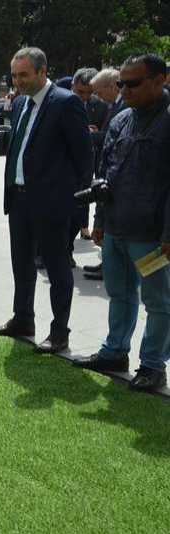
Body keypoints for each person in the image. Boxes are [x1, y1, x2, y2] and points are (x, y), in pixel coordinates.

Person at [74, 54, 170, 392]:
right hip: (116, 227)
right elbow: (107, 172)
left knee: (158, 302)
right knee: (120, 293)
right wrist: (100, 219)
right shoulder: (121, 118)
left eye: (132, 83)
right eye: (121, 83)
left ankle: (153, 364)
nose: (123, 89)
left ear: (161, 80)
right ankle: (115, 351)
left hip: (152, 236)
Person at [0, 47, 92, 354]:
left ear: (42, 71)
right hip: (19, 200)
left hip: (52, 205)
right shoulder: (20, 103)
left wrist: (72, 203)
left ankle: (59, 333)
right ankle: (23, 319)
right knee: (22, 265)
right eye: (15, 75)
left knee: (57, 269)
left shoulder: (65, 102)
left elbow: (84, 158)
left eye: (24, 75)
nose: (18, 81)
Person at [83, 67, 125, 280]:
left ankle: (110, 266)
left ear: (111, 86)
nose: (98, 97)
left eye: (99, 92)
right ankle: (107, 263)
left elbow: (111, 138)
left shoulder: (123, 107)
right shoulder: (115, 105)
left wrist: (92, 136)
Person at [71, 67, 110, 244]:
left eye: (89, 92)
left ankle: (84, 225)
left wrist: (94, 133)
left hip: (93, 155)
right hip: (68, 159)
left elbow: (106, 132)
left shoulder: (100, 104)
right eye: (80, 92)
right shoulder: (61, 102)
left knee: (89, 190)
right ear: (73, 85)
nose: (85, 96)